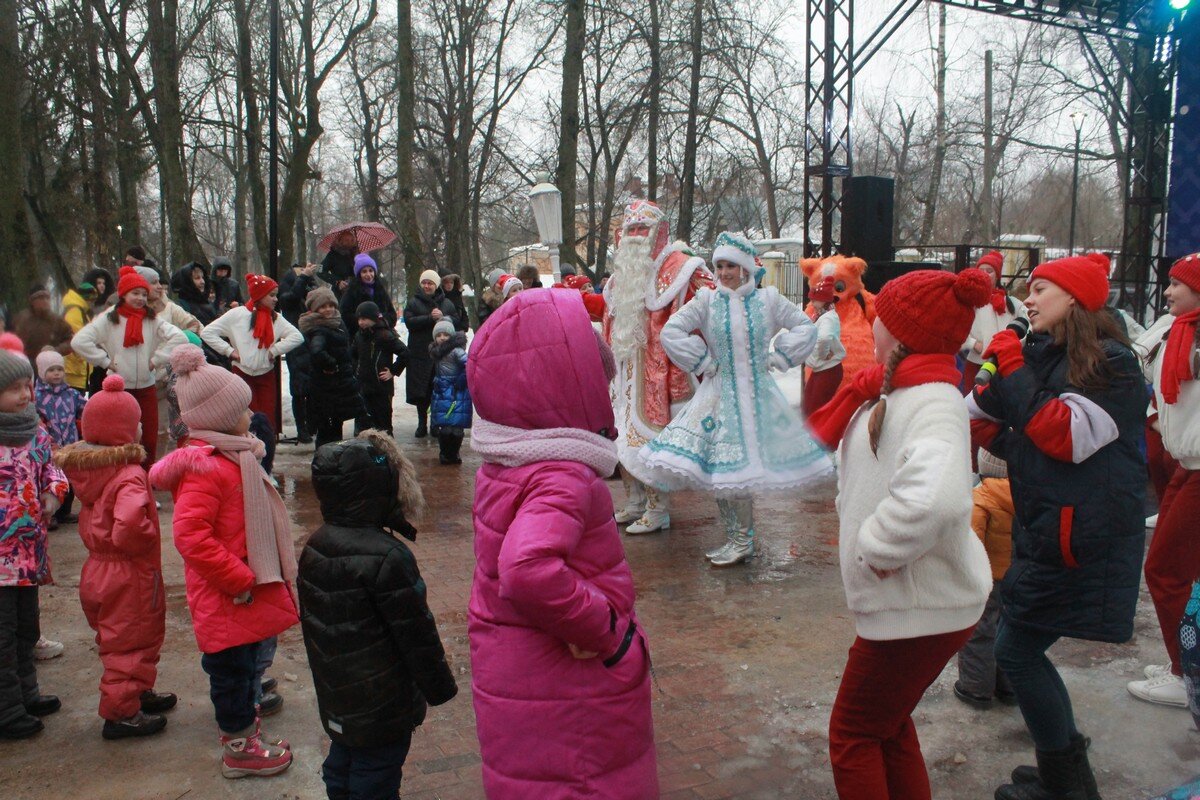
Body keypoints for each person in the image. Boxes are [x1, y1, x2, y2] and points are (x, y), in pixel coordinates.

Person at [806, 268, 993, 800]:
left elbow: (936, 497)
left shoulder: (932, 401)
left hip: (917, 606)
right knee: (888, 726)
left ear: (902, 332)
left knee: (854, 734)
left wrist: (877, 548)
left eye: (880, 314)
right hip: (912, 603)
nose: (873, 320)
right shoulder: (905, 388)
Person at [967, 253, 1147, 799]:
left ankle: (1067, 784)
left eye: (1041, 288)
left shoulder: (1112, 364)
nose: (1030, 298)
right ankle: (1061, 768)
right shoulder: (1042, 353)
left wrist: (1014, 371)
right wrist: (987, 401)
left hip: (1082, 536)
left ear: (1073, 298)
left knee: (1015, 651)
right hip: (1049, 527)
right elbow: (994, 419)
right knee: (1020, 646)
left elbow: (1065, 436)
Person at [467, 289, 657, 798]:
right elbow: (527, 570)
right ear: (567, 386)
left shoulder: (510, 459)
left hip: (524, 676)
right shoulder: (562, 475)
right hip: (569, 685)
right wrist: (609, 632)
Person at [636, 232, 832, 566]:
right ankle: (738, 537)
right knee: (722, 470)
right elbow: (672, 331)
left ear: (745, 268)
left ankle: (743, 539)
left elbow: (805, 327)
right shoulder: (707, 302)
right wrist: (702, 362)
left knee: (742, 467)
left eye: (730, 266)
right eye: (720, 266)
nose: (724, 272)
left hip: (758, 397)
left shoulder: (768, 300)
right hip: (719, 396)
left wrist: (781, 357)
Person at [149, 344, 298, 778]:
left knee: (248, 667)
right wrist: (238, 578)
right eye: (241, 410)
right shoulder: (206, 468)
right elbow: (191, 537)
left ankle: (248, 735)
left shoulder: (237, 456)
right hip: (228, 594)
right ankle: (239, 749)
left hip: (242, 591)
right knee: (231, 673)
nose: (249, 416)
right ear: (217, 417)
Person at [300, 431, 457, 800]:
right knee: (376, 774)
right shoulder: (388, 558)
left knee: (342, 761)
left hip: (336, 693)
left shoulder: (315, 546)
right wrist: (440, 688)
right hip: (382, 702)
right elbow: (417, 635)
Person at [53, 375, 176, 739]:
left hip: (98, 570)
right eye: (136, 423)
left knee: (118, 639)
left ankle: (135, 693)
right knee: (132, 642)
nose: (141, 429)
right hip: (129, 573)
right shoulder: (129, 475)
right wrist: (147, 537)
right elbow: (129, 526)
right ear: (125, 432)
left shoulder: (90, 469)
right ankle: (121, 713)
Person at [603, 199, 714, 534]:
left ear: (659, 232)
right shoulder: (619, 277)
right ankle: (635, 500)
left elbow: (715, 304)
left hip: (660, 374)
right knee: (622, 436)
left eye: (642, 229)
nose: (635, 236)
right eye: (630, 229)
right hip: (625, 373)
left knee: (652, 440)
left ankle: (658, 507)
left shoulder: (683, 267)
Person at [1128, 253, 1200, 708]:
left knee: (1166, 571)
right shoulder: (1175, 327)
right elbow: (1139, 360)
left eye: (1177, 284)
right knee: (1175, 569)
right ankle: (1187, 660)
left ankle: (1186, 674)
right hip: (1186, 465)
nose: (1168, 291)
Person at [0, 339, 68, 740]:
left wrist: (52, 493)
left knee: (27, 628)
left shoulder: (34, 431)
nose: (26, 394)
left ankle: (28, 693)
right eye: (15, 389)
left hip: (28, 553)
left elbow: (52, 470)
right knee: (2, 636)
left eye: (28, 386)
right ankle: (7, 710)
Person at [71, 267, 189, 467]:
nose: (140, 298)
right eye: (135, 293)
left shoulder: (151, 318)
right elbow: (80, 341)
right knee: (122, 439)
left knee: (149, 440)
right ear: (123, 294)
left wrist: (156, 359)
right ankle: (124, 482)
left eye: (144, 294)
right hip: (119, 387)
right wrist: (106, 361)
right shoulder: (109, 318)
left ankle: (146, 482)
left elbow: (180, 337)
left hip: (146, 386)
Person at [953, 446, 1017, 710]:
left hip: (986, 579)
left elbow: (971, 543)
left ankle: (976, 688)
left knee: (979, 633)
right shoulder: (1028, 495)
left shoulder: (980, 499)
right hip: (1016, 578)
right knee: (1011, 630)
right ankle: (1010, 686)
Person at [201, 274, 303, 428]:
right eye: (272, 295)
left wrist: (273, 351)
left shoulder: (275, 318)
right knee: (246, 419)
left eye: (276, 295)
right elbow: (207, 333)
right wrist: (229, 351)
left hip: (266, 374)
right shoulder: (237, 315)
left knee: (268, 420)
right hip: (241, 373)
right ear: (260, 295)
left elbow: (297, 337)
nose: (276, 299)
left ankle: (268, 450)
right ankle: (249, 450)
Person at [301, 287, 364, 448]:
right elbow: (317, 351)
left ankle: (333, 461)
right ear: (315, 309)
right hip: (327, 387)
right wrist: (332, 364)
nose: (328, 309)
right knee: (327, 430)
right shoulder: (319, 328)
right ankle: (325, 463)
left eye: (331, 305)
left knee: (335, 427)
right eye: (323, 307)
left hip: (338, 386)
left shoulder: (336, 323)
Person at [402, 270, 460, 438]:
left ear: (436, 285)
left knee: (438, 390)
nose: (427, 286)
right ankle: (422, 423)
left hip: (441, 354)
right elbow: (409, 322)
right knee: (422, 392)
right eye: (424, 283)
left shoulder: (447, 303)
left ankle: (436, 423)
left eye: (430, 283)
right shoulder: (413, 302)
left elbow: (457, 321)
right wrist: (429, 318)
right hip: (419, 353)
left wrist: (444, 317)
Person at [960, 250, 1028, 392]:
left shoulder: (1013, 304)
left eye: (989, 271)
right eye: (981, 270)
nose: (985, 274)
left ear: (997, 275)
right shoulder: (970, 303)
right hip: (976, 362)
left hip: (1003, 363)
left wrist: (1013, 346)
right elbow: (955, 326)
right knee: (972, 399)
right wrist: (972, 343)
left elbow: (1028, 326)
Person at [33, 350, 85, 529]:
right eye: (51, 370)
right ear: (41, 372)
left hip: (70, 445)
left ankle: (65, 512)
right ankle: (51, 513)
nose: (56, 373)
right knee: (51, 480)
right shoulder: (37, 397)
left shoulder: (71, 394)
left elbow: (84, 410)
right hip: (49, 447)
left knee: (70, 479)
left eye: (59, 369)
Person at [351, 301, 408, 437]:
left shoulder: (385, 335)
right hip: (364, 386)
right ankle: (370, 455)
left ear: (373, 318)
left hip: (381, 387)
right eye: (359, 319)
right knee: (366, 424)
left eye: (364, 319)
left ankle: (387, 454)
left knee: (383, 424)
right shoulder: (359, 336)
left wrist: (393, 371)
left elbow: (405, 353)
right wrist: (356, 371)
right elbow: (352, 355)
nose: (361, 322)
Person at [279, 262, 320, 443]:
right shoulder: (288, 288)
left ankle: (312, 424)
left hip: (313, 339)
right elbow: (289, 299)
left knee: (313, 386)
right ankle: (301, 428)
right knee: (298, 388)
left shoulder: (310, 284)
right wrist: (302, 278)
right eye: (299, 274)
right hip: (296, 342)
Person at [803, 276, 847, 418]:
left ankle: (816, 439)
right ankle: (812, 437)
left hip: (827, 369)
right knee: (810, 406)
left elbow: (824, 338)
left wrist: (822, 355)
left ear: (824, 300)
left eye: (815, 299)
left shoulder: (827, 318)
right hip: (823, 368)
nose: (812, 302)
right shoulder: (824, 316)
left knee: (815, 410)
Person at [429, 319, 470, 465]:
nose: (442, 338)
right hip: (441, 392)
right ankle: (445, 453)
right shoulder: (437, 352)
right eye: (439, 335)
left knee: (456, 428)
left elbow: (468, 365)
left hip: (457, 392)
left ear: (451, 336)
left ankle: (454, 452)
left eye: (445, 335)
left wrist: (462, 380)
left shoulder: (456, 351)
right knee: (444, 427)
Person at [14, 285, 74, 365]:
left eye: (47, 298)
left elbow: (71, 341)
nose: (45, 301)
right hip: (25, 365)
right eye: (41, 298)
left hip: (49, 366)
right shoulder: (21, 319)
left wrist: (55, 350)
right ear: (32, 302)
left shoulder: (57, 320)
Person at [338, 254, 397, 334]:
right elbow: (344, 315)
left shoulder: (380, 289)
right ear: (359, 274)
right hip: (359, 336)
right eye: (364, 271)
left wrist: (381, 320)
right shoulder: (351, 291)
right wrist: (364, 320)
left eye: (371, 270)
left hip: (382, 335)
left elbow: (392, 314)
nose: (368, 275)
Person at [140, 265, 202, 335]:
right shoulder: (129, 314)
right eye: (154, 283)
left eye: (159, 282)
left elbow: (195, 326)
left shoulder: (170, 307)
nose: (160, 287)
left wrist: (178, 340)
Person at [62, 280, 96, 392]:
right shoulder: (75, 311)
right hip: (74, 369)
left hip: (77, 368)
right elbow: (78, 339)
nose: (93, 303)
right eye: (92, 300)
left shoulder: (80, 310)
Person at [318, 231, 359, 298]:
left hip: (356, 291)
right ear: (340, 241)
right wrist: (337, 282)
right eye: (346, 240)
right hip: (340, 294)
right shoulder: (332, 255)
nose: (350, 242)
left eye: (352, 240)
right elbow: (319, 270)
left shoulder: (355, 254)